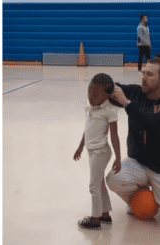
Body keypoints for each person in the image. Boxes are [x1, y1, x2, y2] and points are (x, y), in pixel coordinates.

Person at [106, 57, 160, 216]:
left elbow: (152, 123)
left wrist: (127, 104)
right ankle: (138, 198)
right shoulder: (136, 93)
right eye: (143, 73)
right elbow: (113, 89)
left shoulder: (131, 100)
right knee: (114, 178)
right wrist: (105, 85)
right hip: (139, 163)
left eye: (150, 74)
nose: (143, 77)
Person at [74, 73, 121, 230]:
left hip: (100, 152)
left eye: (95, 94)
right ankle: (105, 214)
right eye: (89, 92)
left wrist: (118, 158)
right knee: (99, 183)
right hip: (91, 150)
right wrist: (81, 146)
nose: (91, 96)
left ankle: (95, 219)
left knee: (93, 186)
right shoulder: (90, 105)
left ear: (107, 95)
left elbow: (114, 136)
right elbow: (87, 128)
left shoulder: (109, 111)